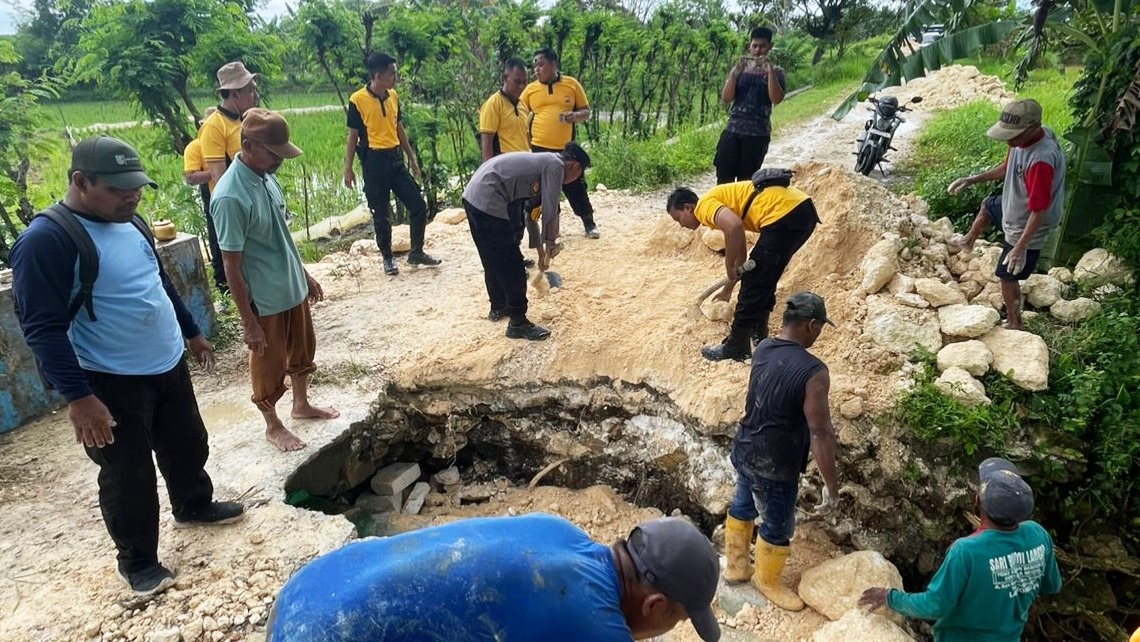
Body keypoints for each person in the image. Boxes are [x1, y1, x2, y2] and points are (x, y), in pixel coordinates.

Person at [9, 136, 244, 597]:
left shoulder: (131, 221)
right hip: (109, 379)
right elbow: (41, 328)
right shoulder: (47, 241)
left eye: (135, 187)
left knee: (186, 443)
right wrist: (79, 398)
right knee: (127, 472)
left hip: (166, 363)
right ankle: (137, 562)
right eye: (118, 189)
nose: (132, 196)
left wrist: (192, 332)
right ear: (80, 181)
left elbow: (157, 282)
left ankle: (193, 504)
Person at [267, 514, 721, 642]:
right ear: (655, 606)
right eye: (676, 623)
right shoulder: (596, 628)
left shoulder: (560, 531)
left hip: (309, 588)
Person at [212, 109, 340, 452]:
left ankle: (301, 405)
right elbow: (231, 265)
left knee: (302, 349)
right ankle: (272, 425)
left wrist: (305, 274)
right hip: (265, 298)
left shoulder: (267, 177)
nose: (278, 160)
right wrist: (248, 322)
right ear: (248, 145)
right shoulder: (229, 196)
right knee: (268, 363)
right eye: (273, 153)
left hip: (290, 286)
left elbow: (282, 235)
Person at [859, 458, 1062, 641]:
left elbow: (935, 605)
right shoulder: (1038, 535)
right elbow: (1052, 585)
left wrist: (890, 597)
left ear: (977, 501)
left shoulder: (967, 551)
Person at [723, 293, 839, 612]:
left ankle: (735, 568)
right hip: (775, 463)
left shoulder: (763, 348)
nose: (819, 334)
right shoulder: (814, 371)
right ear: (810, 325)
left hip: (745, 447)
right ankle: (767, 581)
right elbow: (819, 430)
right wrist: (831, 485)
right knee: (776, 525)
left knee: (743, 505)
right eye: (820, 328)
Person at [665, 179, 819, 361]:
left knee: (754, 282)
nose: (681, 225)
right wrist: (727, 289)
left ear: (688, 208)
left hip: (784, 215)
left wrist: (729, 266)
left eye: (678, 218)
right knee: (764, 275)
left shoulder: (703, 207)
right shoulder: (717, 201)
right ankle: (759, 333)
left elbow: (734, 226)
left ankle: (736, 346)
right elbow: (741, 255)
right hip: (801, 212)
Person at [946, 99, 1065, 330]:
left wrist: (1020, 248)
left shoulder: (1041, 159)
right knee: (988, 205)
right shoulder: (1019, 142)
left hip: (1028, 222)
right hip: (1015, 206)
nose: (1008, 140)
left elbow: (1039, 210)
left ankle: (1014, 322)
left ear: (1032, 128)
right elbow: (1006, 167)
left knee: (1007, 274)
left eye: (1013, 135)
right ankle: (968, 242)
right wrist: (972, 179)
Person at [462, 143, 591, 340]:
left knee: (492, 256)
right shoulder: (555, 165)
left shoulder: (541, 166)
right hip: (488, 197)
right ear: (574, 166)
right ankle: (518, 322)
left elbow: (532, 216)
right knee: (511, 263)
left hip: (474, 196)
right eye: (579, 174)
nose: (576, 180)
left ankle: (498, 307)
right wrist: (551, 241)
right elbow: (550, 209)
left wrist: (542, 253)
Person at [344, 52, 441, 276]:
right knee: (381, 213)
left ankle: (416, 251)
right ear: (378, 75)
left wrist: (411, 158)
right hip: (374, 162)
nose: (395, 78)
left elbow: (398, 128)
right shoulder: (357, 100)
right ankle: (387, 258)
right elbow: (352, 136)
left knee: (418, 204)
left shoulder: (393, 96)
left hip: (395, 160)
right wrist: (348, 168)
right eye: (392, 74)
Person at [520, 47, 599, 239]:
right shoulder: (530, 90)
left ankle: (589, 223)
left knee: (575, 187)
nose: (537, 69)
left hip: (565, 149)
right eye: (535, 66)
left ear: (553, 64)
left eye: (541, 64)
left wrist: (575, 116)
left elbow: (586, 111)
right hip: (539, 149)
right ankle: (551, 229)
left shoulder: (571, 85)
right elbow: (519, 113)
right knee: (545, 190)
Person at [199, 61, 262, 293]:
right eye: (249, 90)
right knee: (234, 257)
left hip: (253, 194)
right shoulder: (214, 126)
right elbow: (219, 178)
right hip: (235, 201)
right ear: (235, 93)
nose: (254, 95)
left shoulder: (244, 120)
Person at [715, 26, 786, 184]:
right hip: (732, 130)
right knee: (723, 178)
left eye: (762, 46)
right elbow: (726, 98)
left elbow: (776, 99)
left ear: (770, 46)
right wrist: (734, 74)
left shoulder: (777, 72)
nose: (758, 50)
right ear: (749, 46)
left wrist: (770, 73)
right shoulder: (740, 69)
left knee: (746, 182)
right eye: (755, 46)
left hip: (757, 135)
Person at [478, 57, 530, 163]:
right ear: (505, 78)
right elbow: (486, 146)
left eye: (524, 82)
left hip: (525, 164)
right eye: (517, 81)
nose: (521, 86)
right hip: (505, 166)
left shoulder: (522, 105)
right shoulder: (493, 104)